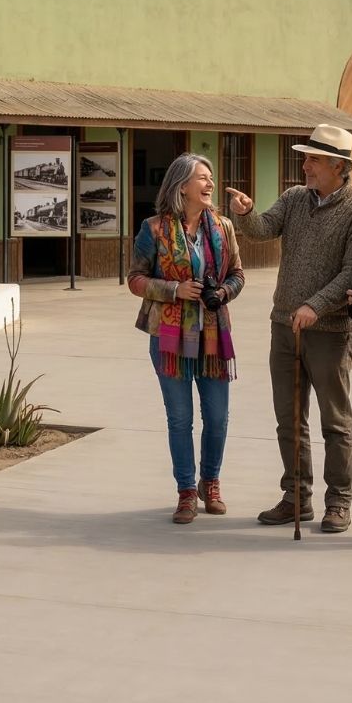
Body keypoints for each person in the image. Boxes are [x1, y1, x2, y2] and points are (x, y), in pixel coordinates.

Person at [228, 124, 352, 533]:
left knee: (335, 422)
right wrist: (246, 213)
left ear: (338, 166)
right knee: (289, 420)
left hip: (329, 332)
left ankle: (339, 501)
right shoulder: (293, 198)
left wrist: (316, 305)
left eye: (312, 159)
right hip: (283, 327)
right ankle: (296, 497)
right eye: (305, 157)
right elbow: (262, 231)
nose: (304, 164)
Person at [128, 153, 244, 524]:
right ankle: (186, 491)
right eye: (203, 178)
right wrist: (174, 289)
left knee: (218, 417)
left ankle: (211, 482)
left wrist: (223, 292)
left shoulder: (224, 227)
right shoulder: (154, 229)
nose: (210, 184)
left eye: (210, 178)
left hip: (213, 333)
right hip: (169, 336)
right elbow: (135, 279)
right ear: (182, 186)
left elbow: (237, 274)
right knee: (180, 419)